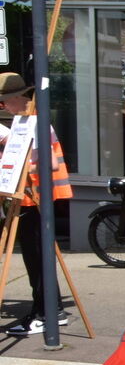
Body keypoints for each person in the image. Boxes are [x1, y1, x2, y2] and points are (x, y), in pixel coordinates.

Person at [0, 73, 72, 336]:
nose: (3, 107)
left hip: (38, 200)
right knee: (36, 259)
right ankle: (48, 310)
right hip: (29, 200)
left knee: (39, 258)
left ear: (18, 98)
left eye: (4, 102)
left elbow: (50, 163)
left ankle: (46, 313)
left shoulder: (35, 124)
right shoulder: (24, 122)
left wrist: (18, 160)